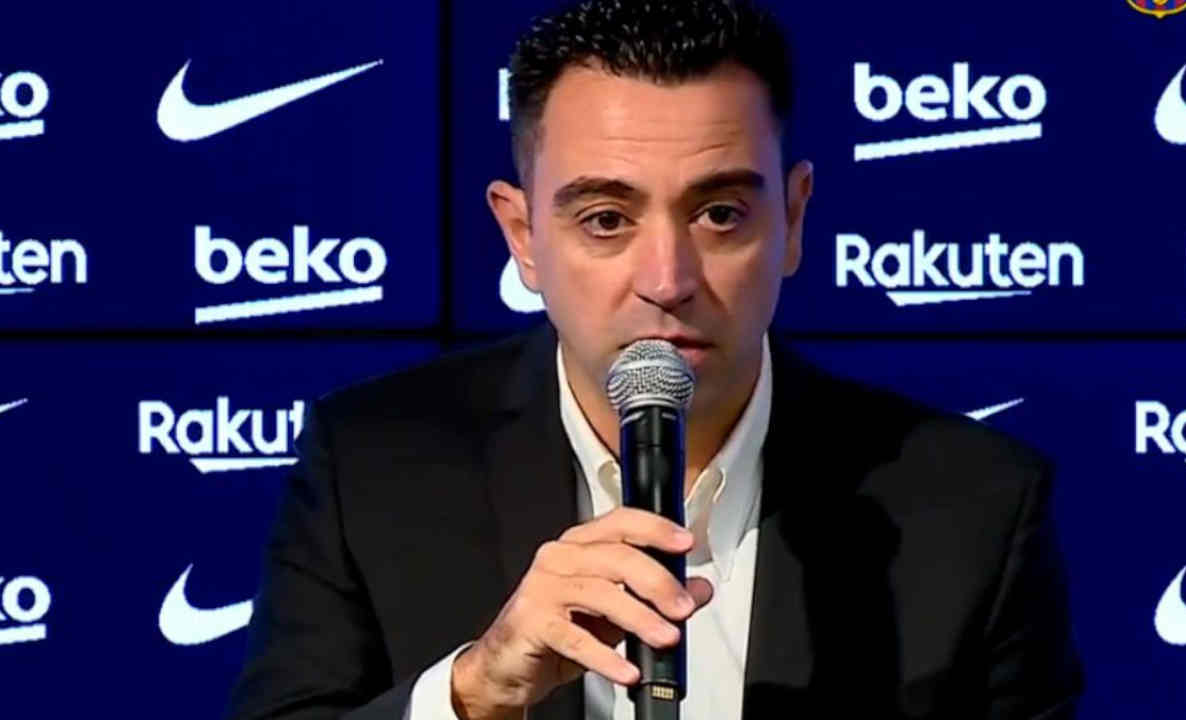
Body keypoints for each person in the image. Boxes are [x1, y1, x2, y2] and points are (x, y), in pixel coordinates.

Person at [221, 0, 1085, 718]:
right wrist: (475, 692)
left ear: (793, 219)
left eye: (719, 215)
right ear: (522, 236)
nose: (668, 280)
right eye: (606, 220)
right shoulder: (370, 465)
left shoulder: (976, 506)